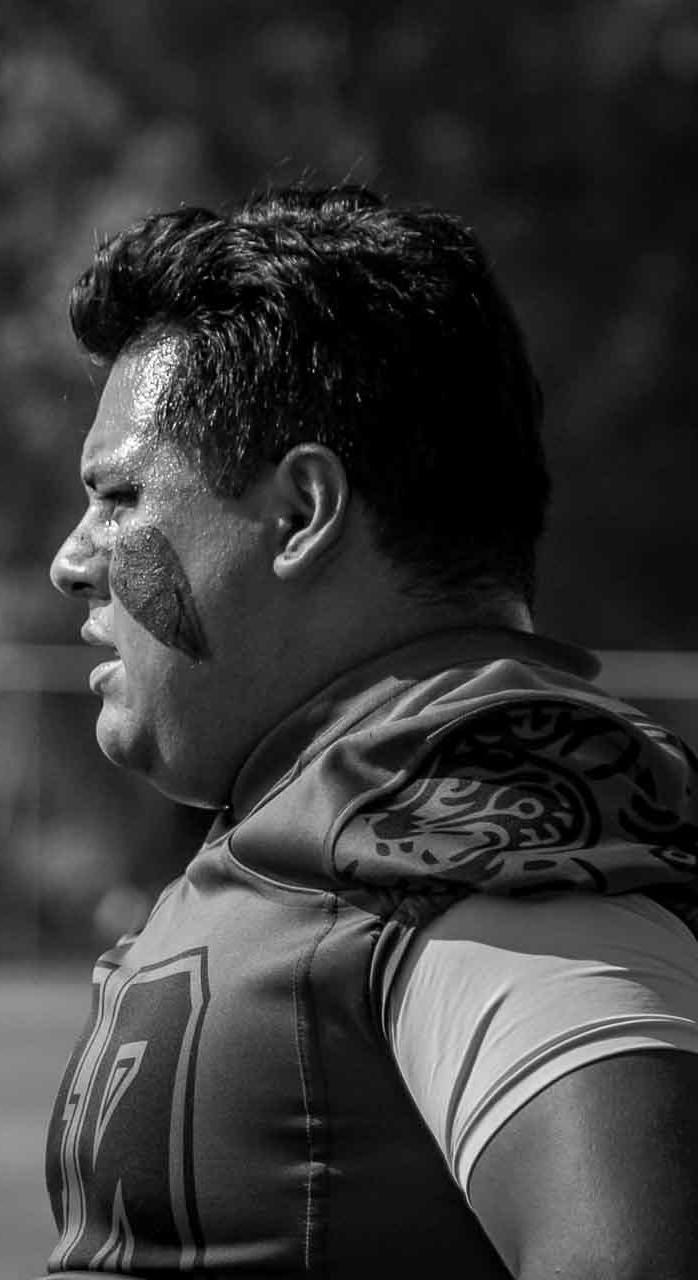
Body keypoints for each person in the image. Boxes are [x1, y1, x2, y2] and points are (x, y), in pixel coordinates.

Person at [40, 185, 698, 1277]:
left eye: (119, 496)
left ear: (301, 513)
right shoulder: (339, 811)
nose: (72, 558)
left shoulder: (481, 810)